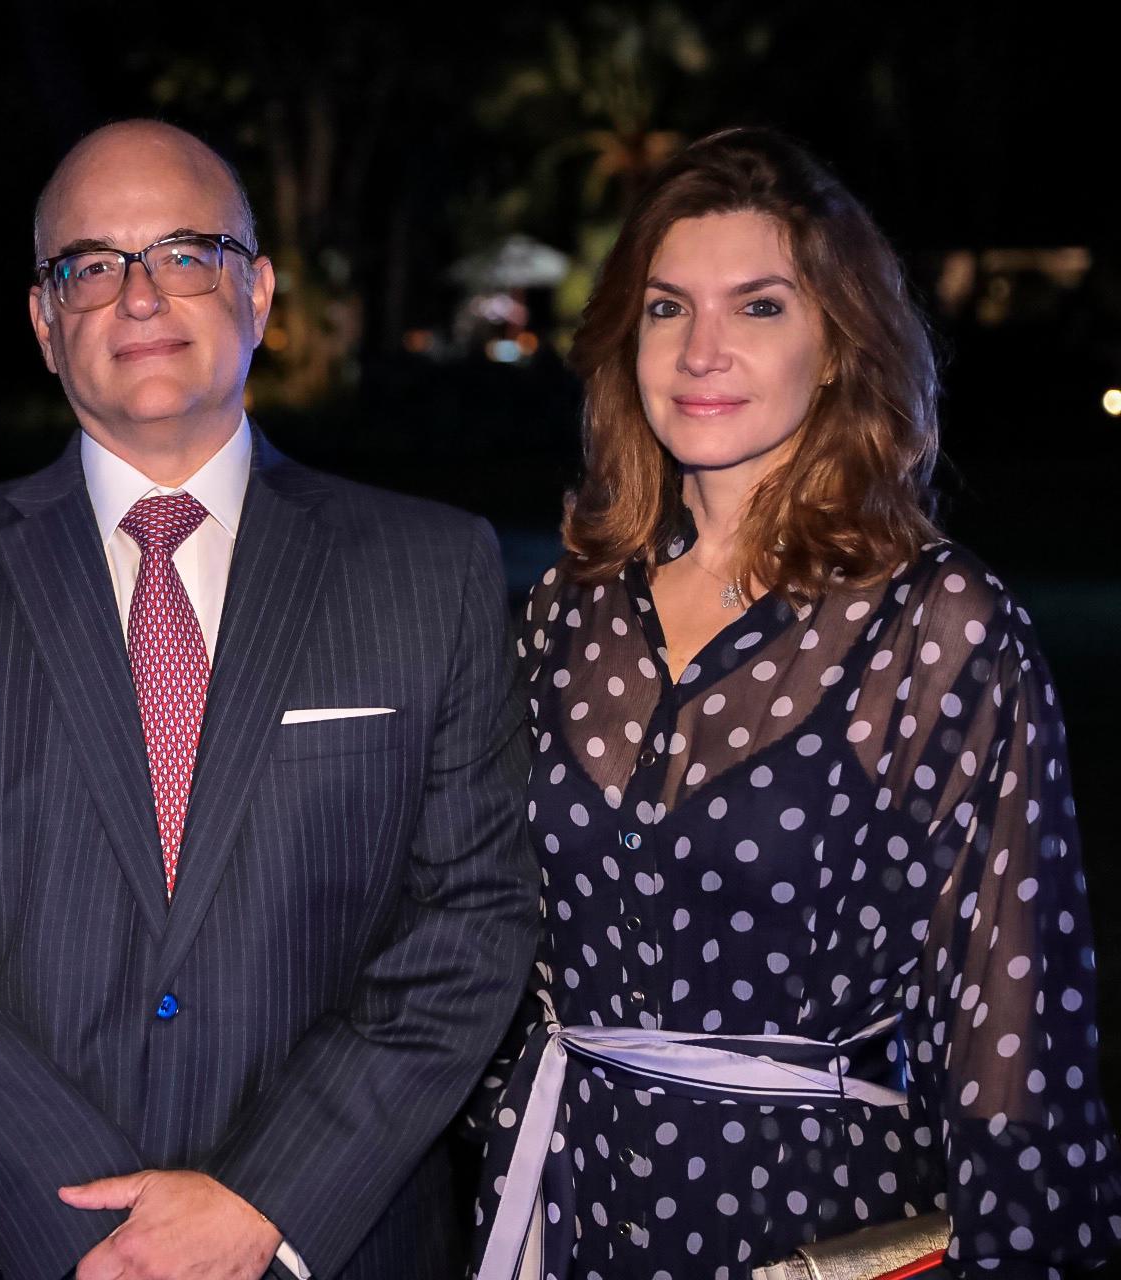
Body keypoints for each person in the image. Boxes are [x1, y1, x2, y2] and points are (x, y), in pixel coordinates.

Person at [0, 118, 538, 1280]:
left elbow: (475, 915)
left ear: (261, 291)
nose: (140, 296)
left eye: (186, 252)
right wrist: (99, 1234)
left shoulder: (428, 570)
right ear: (45, 324)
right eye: (92, 265)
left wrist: (265, 1202)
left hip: (322, 1238)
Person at [469, 128, 1121, 1278]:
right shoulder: (569, 612)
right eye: (668, 308)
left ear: (836, 346)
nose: (702, 348)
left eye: (759, 306)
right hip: (563, 1198)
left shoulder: (937, 625)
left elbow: (1015, 1026)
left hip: (808, 1216)